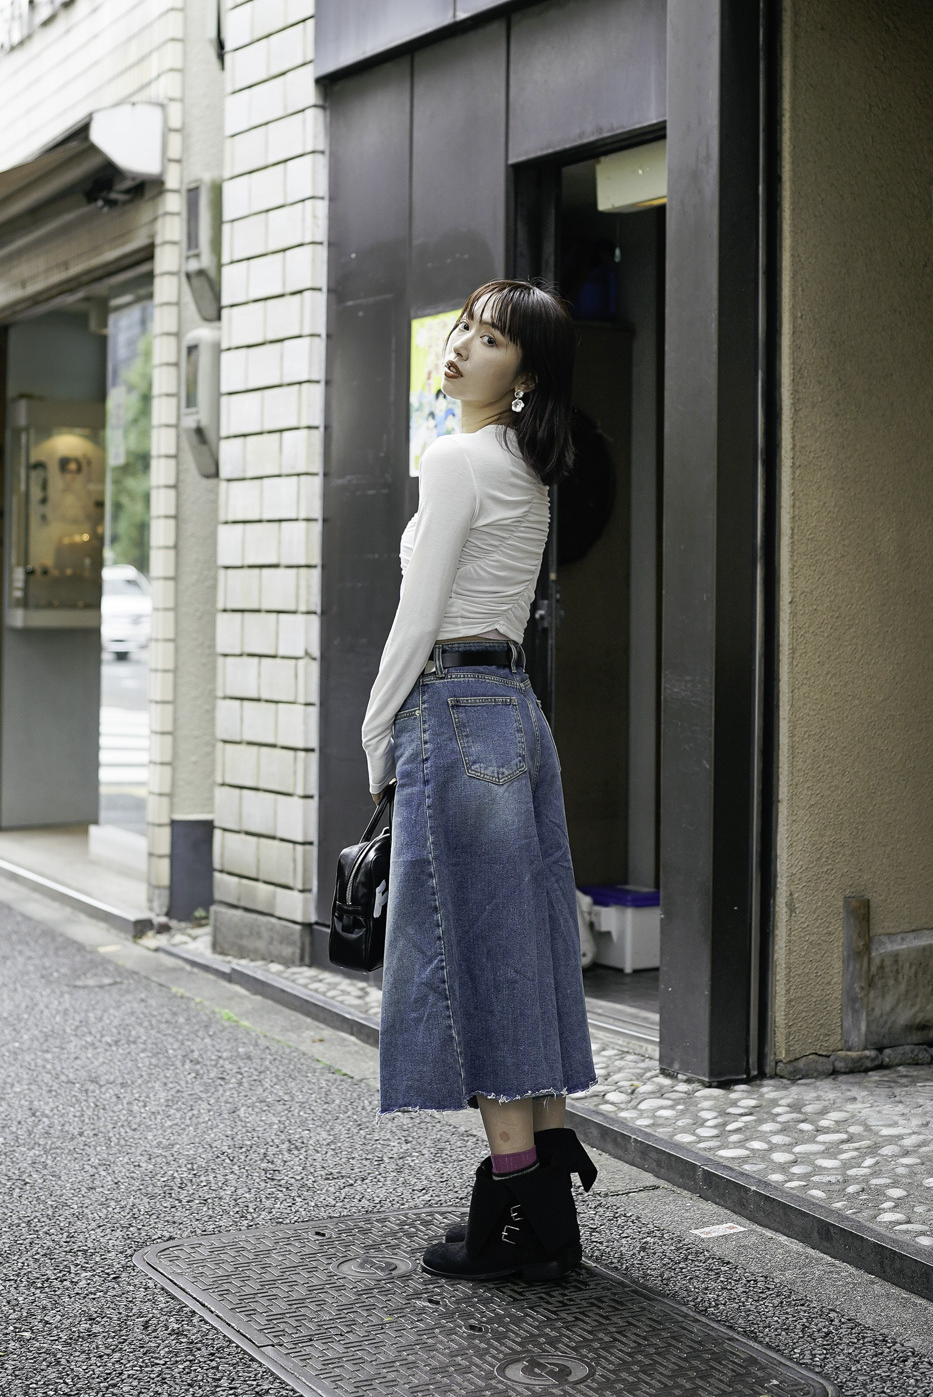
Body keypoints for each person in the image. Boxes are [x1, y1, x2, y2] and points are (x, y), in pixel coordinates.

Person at [361, 279, 598, 1283]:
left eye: (491, 338)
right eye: (465, 326)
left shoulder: (455, 459)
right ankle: (543, 1200)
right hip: (513, 711)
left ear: (525, 374)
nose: (462, 344)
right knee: (524, 953)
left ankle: (524, 1215)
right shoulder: (525, 465)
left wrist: (375, 729)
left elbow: (419, 618)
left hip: (454, 708)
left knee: (478, 958)